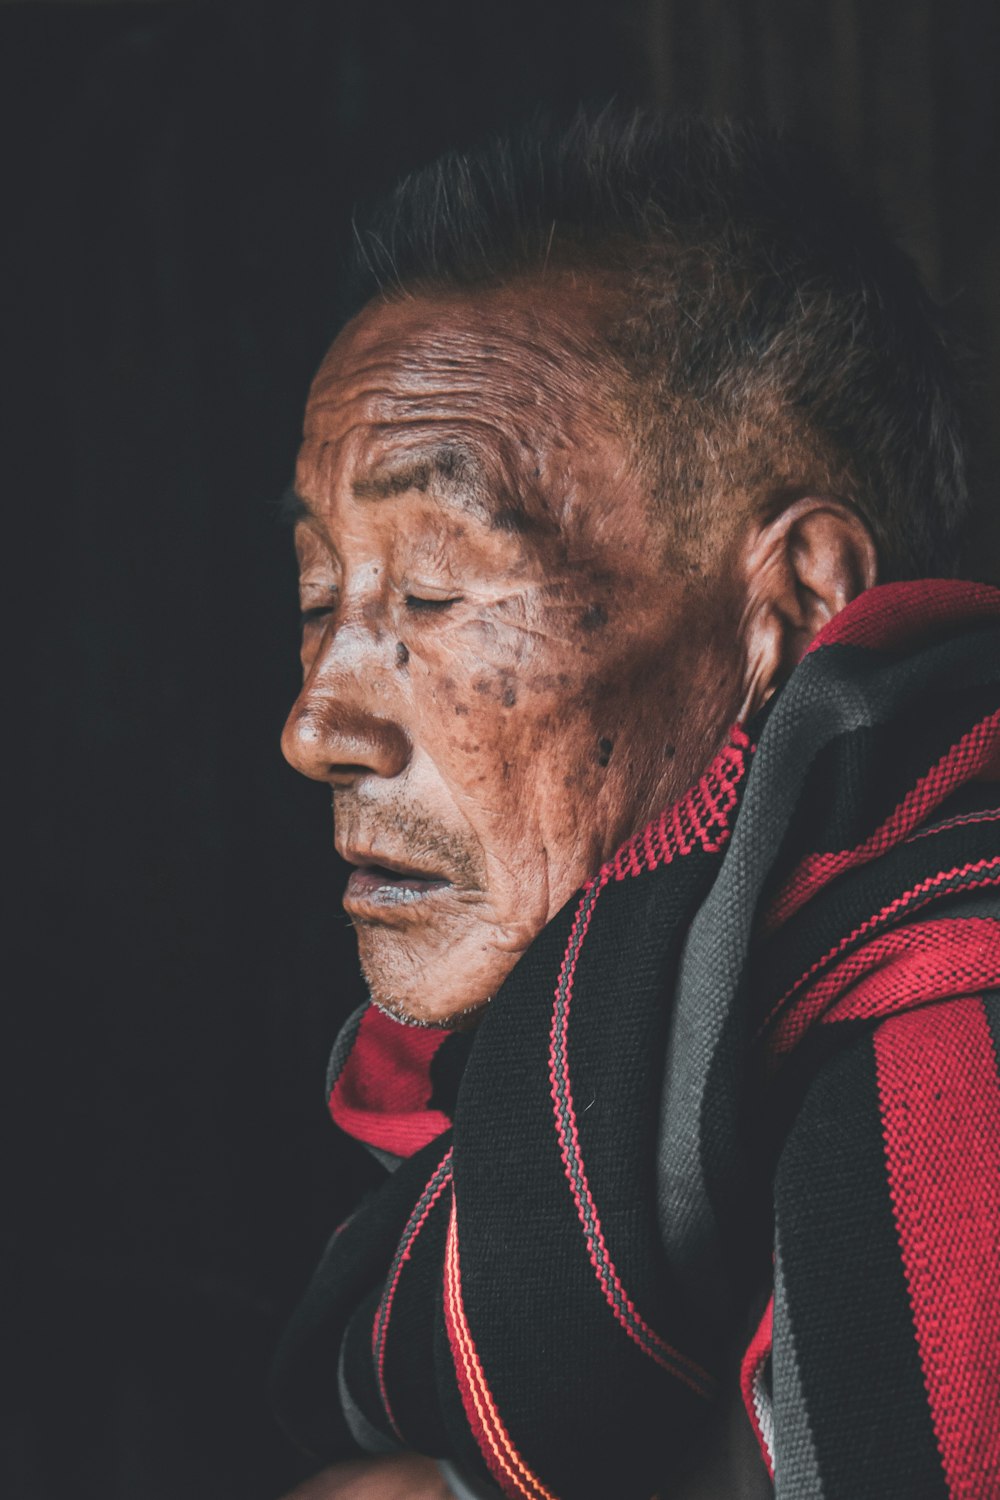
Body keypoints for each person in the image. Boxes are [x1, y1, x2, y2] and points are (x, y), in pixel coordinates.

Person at [270, 112, 1000, 1499]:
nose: (316, 725)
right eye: (321, 601)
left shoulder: (960, 1069)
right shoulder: (560, 1146)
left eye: (431, 593)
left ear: (792, 605)